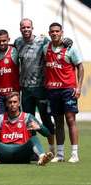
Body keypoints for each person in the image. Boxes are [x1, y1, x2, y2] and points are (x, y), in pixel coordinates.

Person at [14, 18, 57, 153]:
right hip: (25, 89)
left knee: (45, 118)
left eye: (28, 27)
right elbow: (8, 50)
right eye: (23, 27)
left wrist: (68, 42)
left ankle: (52, 149)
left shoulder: (42, 41)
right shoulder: (17, 42)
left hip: (40, 88)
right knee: (28, 120)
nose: (26, 30)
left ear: (32, 28)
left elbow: (56, 46)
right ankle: (33, 151)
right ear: (20, 29)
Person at [43, 22, 84, 163]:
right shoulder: (45, 48)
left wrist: (78, 87)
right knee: (58, 122)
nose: (54, 33)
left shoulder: (70, 49)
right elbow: (45, 66)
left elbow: (80, 66)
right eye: (52, 31)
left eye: (57, 31)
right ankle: (60, 155)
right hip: (53, 90)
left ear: (62, 32)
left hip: (68, 89)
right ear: (49, 33)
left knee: (70, 120)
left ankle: (74, 153)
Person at [0, 29, 20, 116]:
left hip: (13, 94)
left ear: (8, 39)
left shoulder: (14, 52)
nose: (2, 43)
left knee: (14, 119)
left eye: (4, 41)